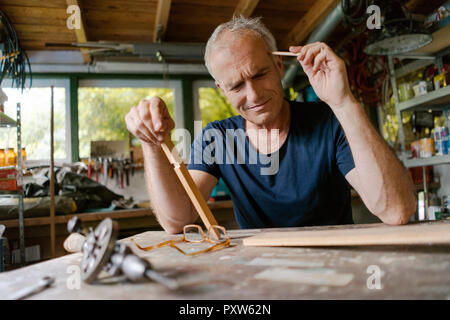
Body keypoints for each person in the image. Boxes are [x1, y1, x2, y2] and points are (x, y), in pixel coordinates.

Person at [125, 16, 416, 233]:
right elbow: (179, 220)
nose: (253, 95)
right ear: (221, 89)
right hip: (260, 276)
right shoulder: (217, 138)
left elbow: (397, 210)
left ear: (278, 66)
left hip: (338, 269)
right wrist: (153, 144)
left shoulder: (329, 121)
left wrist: (344, 102)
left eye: (260, 74)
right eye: (236, 85)